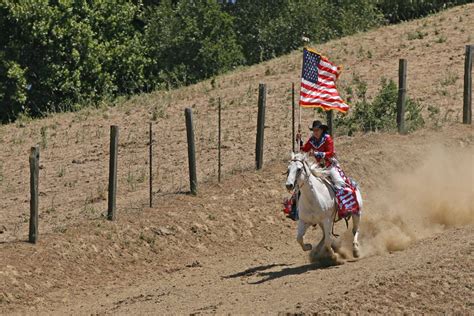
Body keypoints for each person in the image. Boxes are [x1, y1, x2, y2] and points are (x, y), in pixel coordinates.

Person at [297, 120, 346, 190]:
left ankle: (343, 198)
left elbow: (331, 153)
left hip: (330, 165)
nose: (315, 132)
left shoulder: (327, 138)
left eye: (317, 130)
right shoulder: (312, 140)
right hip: (319, 166)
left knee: (339, 183)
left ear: (322, 130)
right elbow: (304, 149)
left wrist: (316, 153)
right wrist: (299, 141)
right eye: (314, 130)